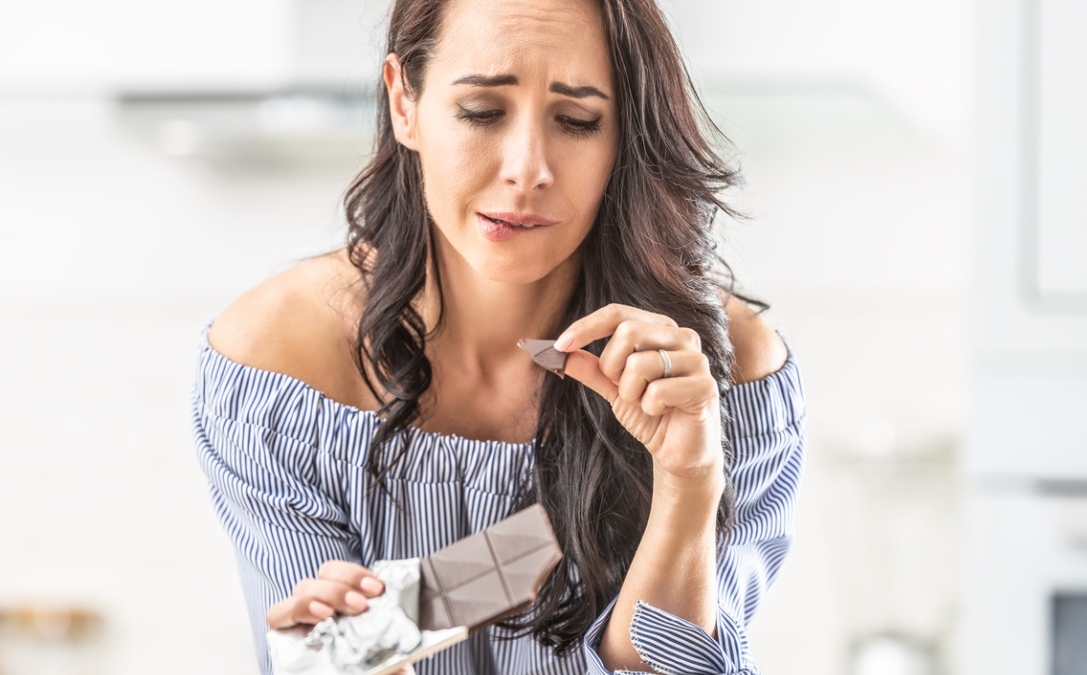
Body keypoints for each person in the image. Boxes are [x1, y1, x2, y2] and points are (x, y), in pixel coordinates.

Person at [192, 0, 806, 672]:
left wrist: (687, 484)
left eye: (577, 120)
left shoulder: (721, 374)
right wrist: (341, 655)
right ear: (405, 102)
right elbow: (331, 650)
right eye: (482, 111)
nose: (527, 169)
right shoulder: (278, 366)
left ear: (622, 136)